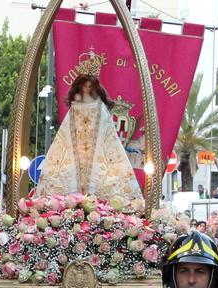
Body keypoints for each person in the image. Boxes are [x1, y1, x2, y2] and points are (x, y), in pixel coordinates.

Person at [35, 68, 142, 201]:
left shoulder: (101, 111)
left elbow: (108, 139)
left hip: (99, 164)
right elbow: (65, 139)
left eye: (89, 87)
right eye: (83, 87)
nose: (86, 89)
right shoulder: (73, 112)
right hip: (73, 163)